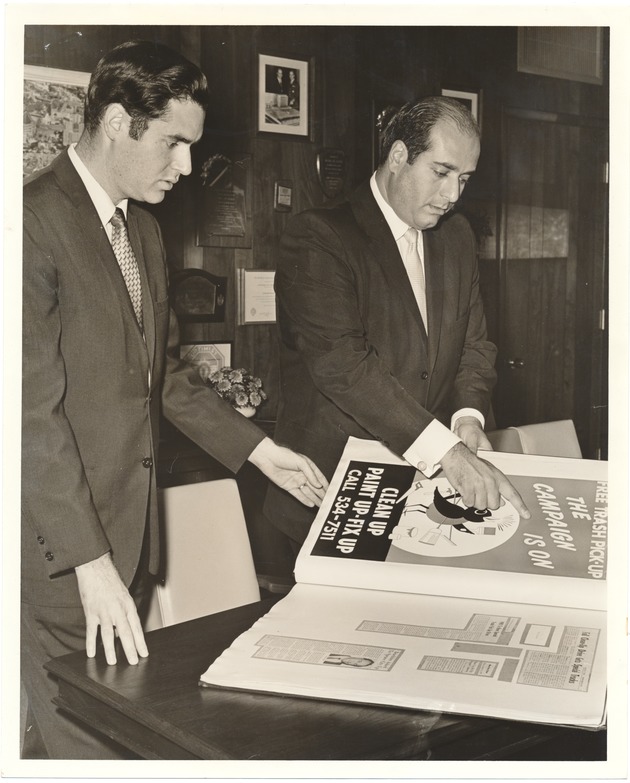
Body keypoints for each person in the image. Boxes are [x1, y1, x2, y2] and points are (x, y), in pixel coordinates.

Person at [21, 40, 327, 760]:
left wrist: (259, 450)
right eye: (174, 143)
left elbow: (159, 375)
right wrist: (89, 561)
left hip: (124, 537)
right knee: (89, 738)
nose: (187, 166)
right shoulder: (30, 223)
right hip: (60, 547)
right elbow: (27, 413)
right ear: (119, 122)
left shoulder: (145, 232)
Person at [264, 96, 530, 553]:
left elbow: (474, 346)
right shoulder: (320, 237)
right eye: (442, 172)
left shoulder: (457, 236)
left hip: (423, 509)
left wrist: (468, 417)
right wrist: (447, 451)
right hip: (329, 500)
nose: (453, 196)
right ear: (399, 156)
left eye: (464, 179)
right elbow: (344, 368)